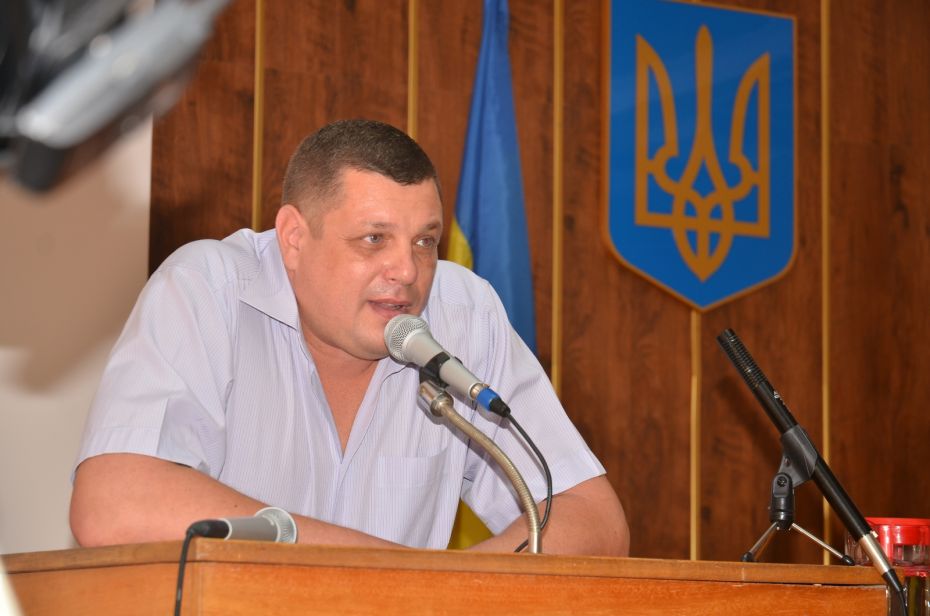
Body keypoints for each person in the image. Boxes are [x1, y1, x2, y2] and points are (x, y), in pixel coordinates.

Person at [70, 119, 630, 555]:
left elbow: (592, 517)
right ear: (294, 237)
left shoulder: (463, 313)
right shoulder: (209, 290)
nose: (407, 271)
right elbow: (113, 503)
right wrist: (396, 578)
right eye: (373, 239)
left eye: (425, 241)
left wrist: (454, 592)